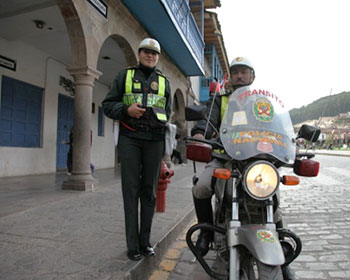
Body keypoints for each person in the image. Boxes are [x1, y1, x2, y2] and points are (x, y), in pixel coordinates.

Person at [191, 57, 296, 280]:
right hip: (224, 158)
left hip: (255, 161)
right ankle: (206, 231)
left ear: (252, 77)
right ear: (230, 77)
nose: (240, 76)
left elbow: (278, 127)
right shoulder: (220, 101)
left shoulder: (262, 103)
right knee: (201, 187)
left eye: (244, 72)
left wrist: (288, 141)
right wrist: (200, 134)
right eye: (236, 72)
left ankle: (282, 256)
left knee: (271, 193)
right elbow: (207, 121)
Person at [102, 38, 172, 261]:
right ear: (139, 54)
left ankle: (145, 242)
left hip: (154, 140)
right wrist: (126, 109)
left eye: (154, 53)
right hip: (130, 138)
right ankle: (132, 246)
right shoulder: (124, 76)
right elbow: (107, 105)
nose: (150, 56)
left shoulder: (164, 82)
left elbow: (168, 112)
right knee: (130, 191)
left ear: (158, 57)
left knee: (149, 192)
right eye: (146, 52)